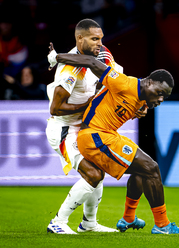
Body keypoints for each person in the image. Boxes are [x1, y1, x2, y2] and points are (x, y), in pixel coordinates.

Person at [47, 45, 179, 235]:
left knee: (143, 170)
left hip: (104, 135)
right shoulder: (124, 83)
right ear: (149, 82)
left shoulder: (140, 100)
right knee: (152, 168)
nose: (162, 99)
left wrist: (143, 106)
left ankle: (127, 219)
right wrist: (57, 57)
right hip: (94, 136)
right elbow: (91, 62)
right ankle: (162, 225)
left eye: (165, 96)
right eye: (160, 92)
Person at [45, 19, 131, 234]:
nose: (99, 44)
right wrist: (91, 104)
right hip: (64, 130)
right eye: (94, 39)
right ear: (79, 38)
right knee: (92, 175)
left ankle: (89, 223)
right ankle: (58, 221)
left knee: (98, 172)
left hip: (86, 128)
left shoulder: (103, 54)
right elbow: (55, 108)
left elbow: (116, 82)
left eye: (101, 38)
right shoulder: (70, 69)